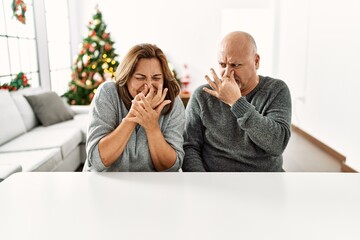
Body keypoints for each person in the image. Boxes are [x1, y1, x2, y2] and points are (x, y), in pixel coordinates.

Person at [182, 31, 292, 172]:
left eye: (235, 65)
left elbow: (277, 144)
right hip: (214, 182)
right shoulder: (202, 96)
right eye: (222, 64)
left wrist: (237, 102)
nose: (227, 73)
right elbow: (189, 147)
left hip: (265, 182)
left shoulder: (276, 90)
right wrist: (202, 182)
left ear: (256, 61)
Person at [83, 43, 185, 172]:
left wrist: (152, 126)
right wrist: (134, 116)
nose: (148, 85)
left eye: (156, 78)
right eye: (140, 77)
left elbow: (171, 168)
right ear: (127, 78)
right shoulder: (108, 93)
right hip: (106, 183)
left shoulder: (173, 102)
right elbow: (97, 161)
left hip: (152, 185)